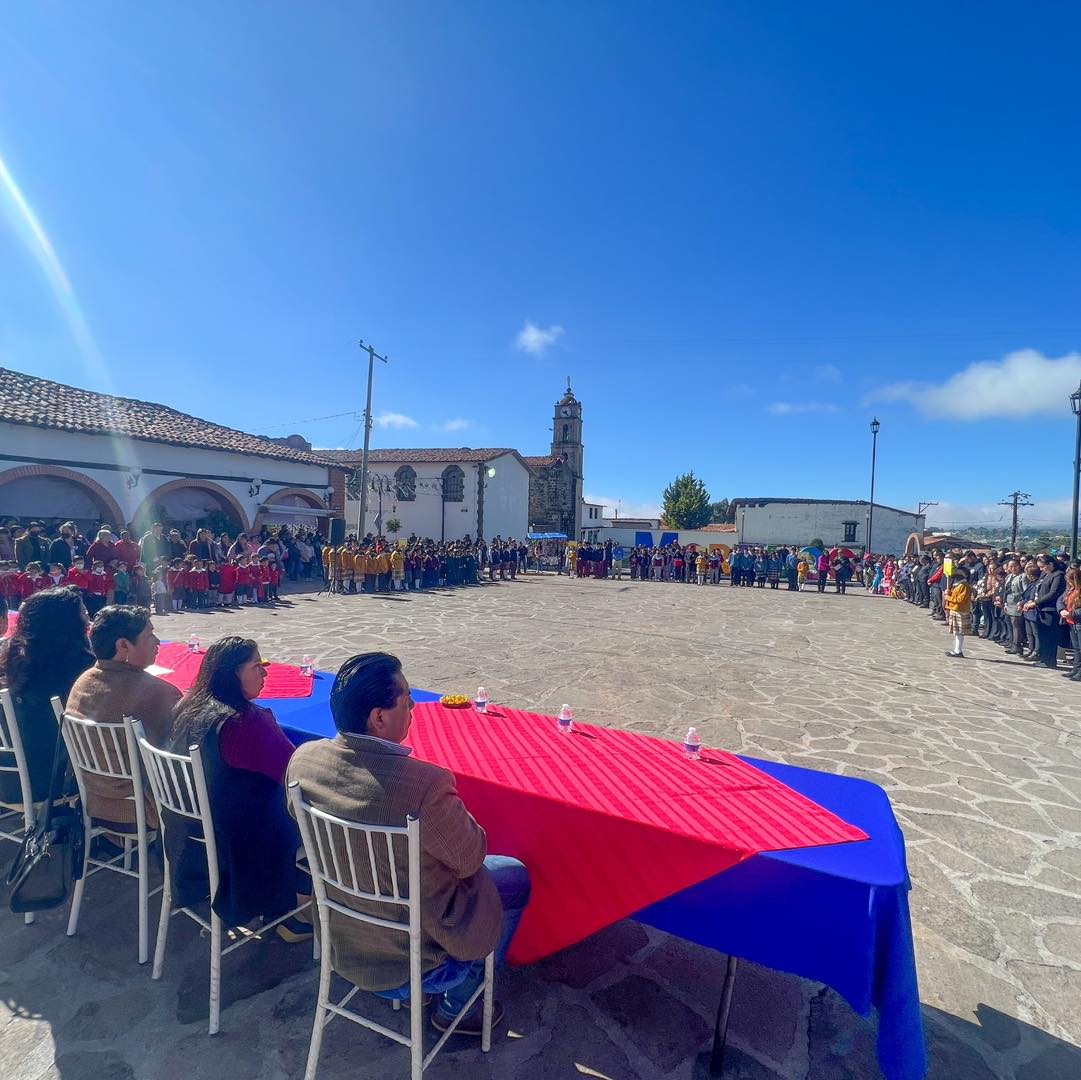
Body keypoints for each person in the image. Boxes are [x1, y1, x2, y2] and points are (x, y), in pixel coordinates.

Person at [286, 652, 530, 1036]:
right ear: (379, 717)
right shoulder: (424, 785)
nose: (414, 705)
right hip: (416, 957)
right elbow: (470, 859)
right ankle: (460, 1005)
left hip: (344, 941)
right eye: (405, 700)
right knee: (514, 877)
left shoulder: (302, 761)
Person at [170, 636, 310, 939]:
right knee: (312, 807)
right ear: (233, 673)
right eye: (256, 665)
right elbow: (290, 771)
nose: (264, 672)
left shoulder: (189, 705)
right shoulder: (242, 723)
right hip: (239, 842)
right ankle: (286, 905)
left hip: (189, 832)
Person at [66, 605, 182, 829]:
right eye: (149, 635)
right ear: (123, 645)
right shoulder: (157, 693)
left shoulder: (84, 680)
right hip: (141, 808)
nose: (157, 642)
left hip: (95, 799)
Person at [0, 586, 95, 803]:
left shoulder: (14, 657)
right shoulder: (78, 667)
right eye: (83, 614)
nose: (87, 619)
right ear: (66, 623)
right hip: (50, 782)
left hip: (8, 774)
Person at [1027, 555, 1066, 669]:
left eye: (1042, 567)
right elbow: (1036, 587)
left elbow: (1053, 593)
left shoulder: (1058, 575)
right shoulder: (1044, 574)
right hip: (1041, 609)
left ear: (1050, 564)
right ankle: (1044, 658)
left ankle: (1050, 660)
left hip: (1050, 609)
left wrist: (1036, 602)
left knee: (1050, 636)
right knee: (1042, 635)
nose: (1041, 569)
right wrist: (1031, 599)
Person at [944, 565, 973, 658]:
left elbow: (960, 599)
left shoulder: (964, 586)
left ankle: (958, 650)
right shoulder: (958, 585)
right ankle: (956, 649)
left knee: (959, 632)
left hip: (960, 610)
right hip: (955, 609)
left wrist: (948, 597)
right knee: (957, 632)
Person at [1058, 564, 1081, 681]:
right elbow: (1061, 600)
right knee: (1076, 648)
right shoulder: (1070, 590)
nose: (1069, 584)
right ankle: (1075, 669)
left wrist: (1072, 613)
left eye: (1071, 581)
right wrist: (1062, 609)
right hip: (1071, 622)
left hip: (1078, 622)